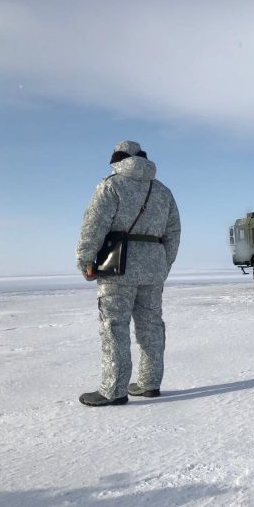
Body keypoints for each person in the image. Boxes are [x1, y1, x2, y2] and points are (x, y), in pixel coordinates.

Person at [76, 140, 181, 406]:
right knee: (151, 326)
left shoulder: (111, 185)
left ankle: (114, 390)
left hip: (117, 268)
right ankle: (149, 384)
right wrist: (163, 263)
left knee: (114, 327)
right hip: (153, 268)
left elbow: (94, 225)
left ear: (117, 158)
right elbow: (173, 232)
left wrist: (86, 259)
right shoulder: (162, 191)